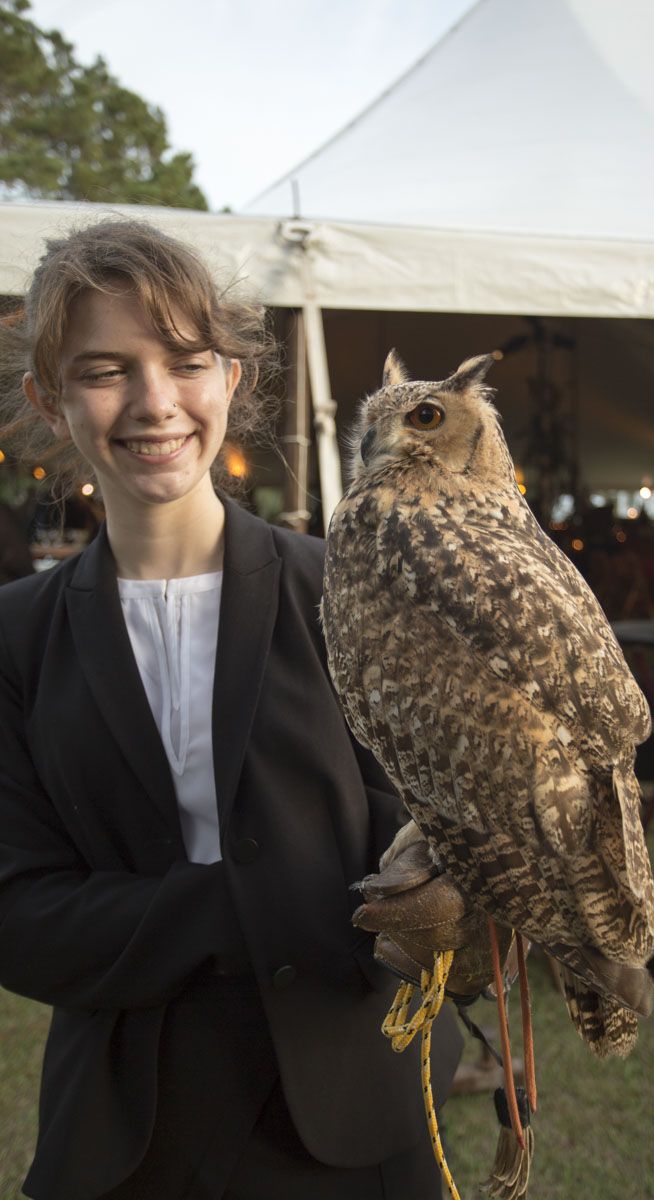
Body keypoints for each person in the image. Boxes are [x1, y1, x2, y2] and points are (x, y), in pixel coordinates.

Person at [0, 219, 463, 1200]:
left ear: (233, 379)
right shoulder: (15, 639)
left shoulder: (359, 591)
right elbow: (17, 909)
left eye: (185, 361)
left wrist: (461, 889)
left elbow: (442, 827)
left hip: (352, 1107)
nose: (154, 401)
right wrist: (242, 907)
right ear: (48, 398)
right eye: (104, 369)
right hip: (126, 1123)